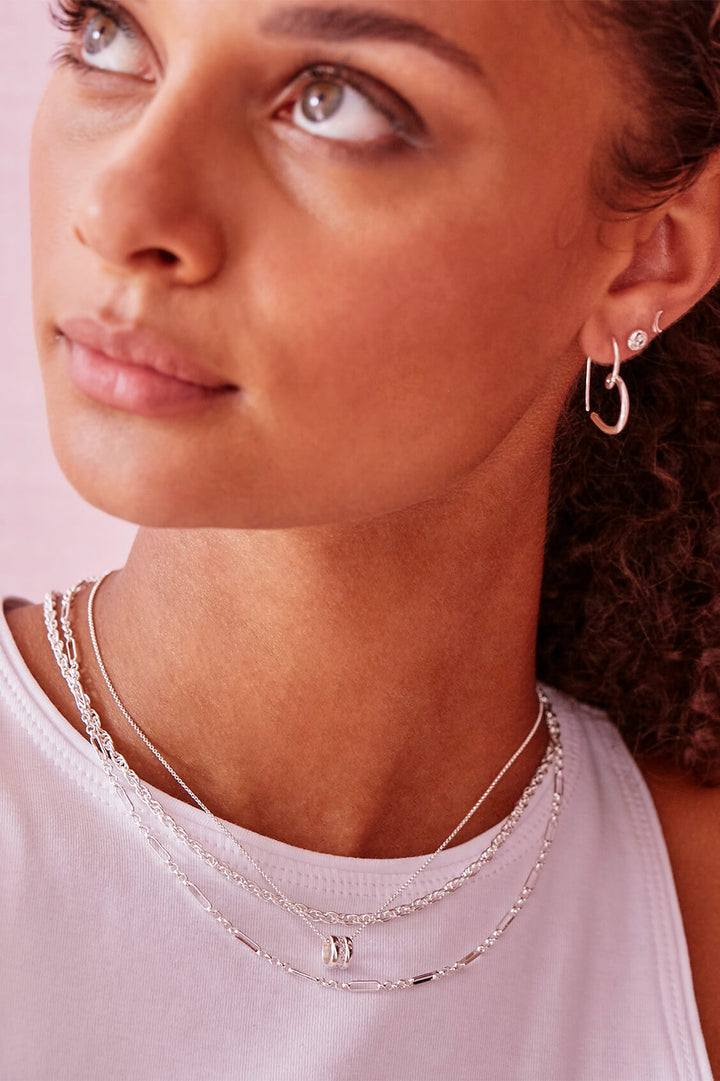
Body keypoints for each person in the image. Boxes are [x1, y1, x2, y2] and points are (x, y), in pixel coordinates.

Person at [2, 0, 720, 1077]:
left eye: (335, 102)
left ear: (646, 259)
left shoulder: (693, 925)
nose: (118, 207)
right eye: (109, 36)